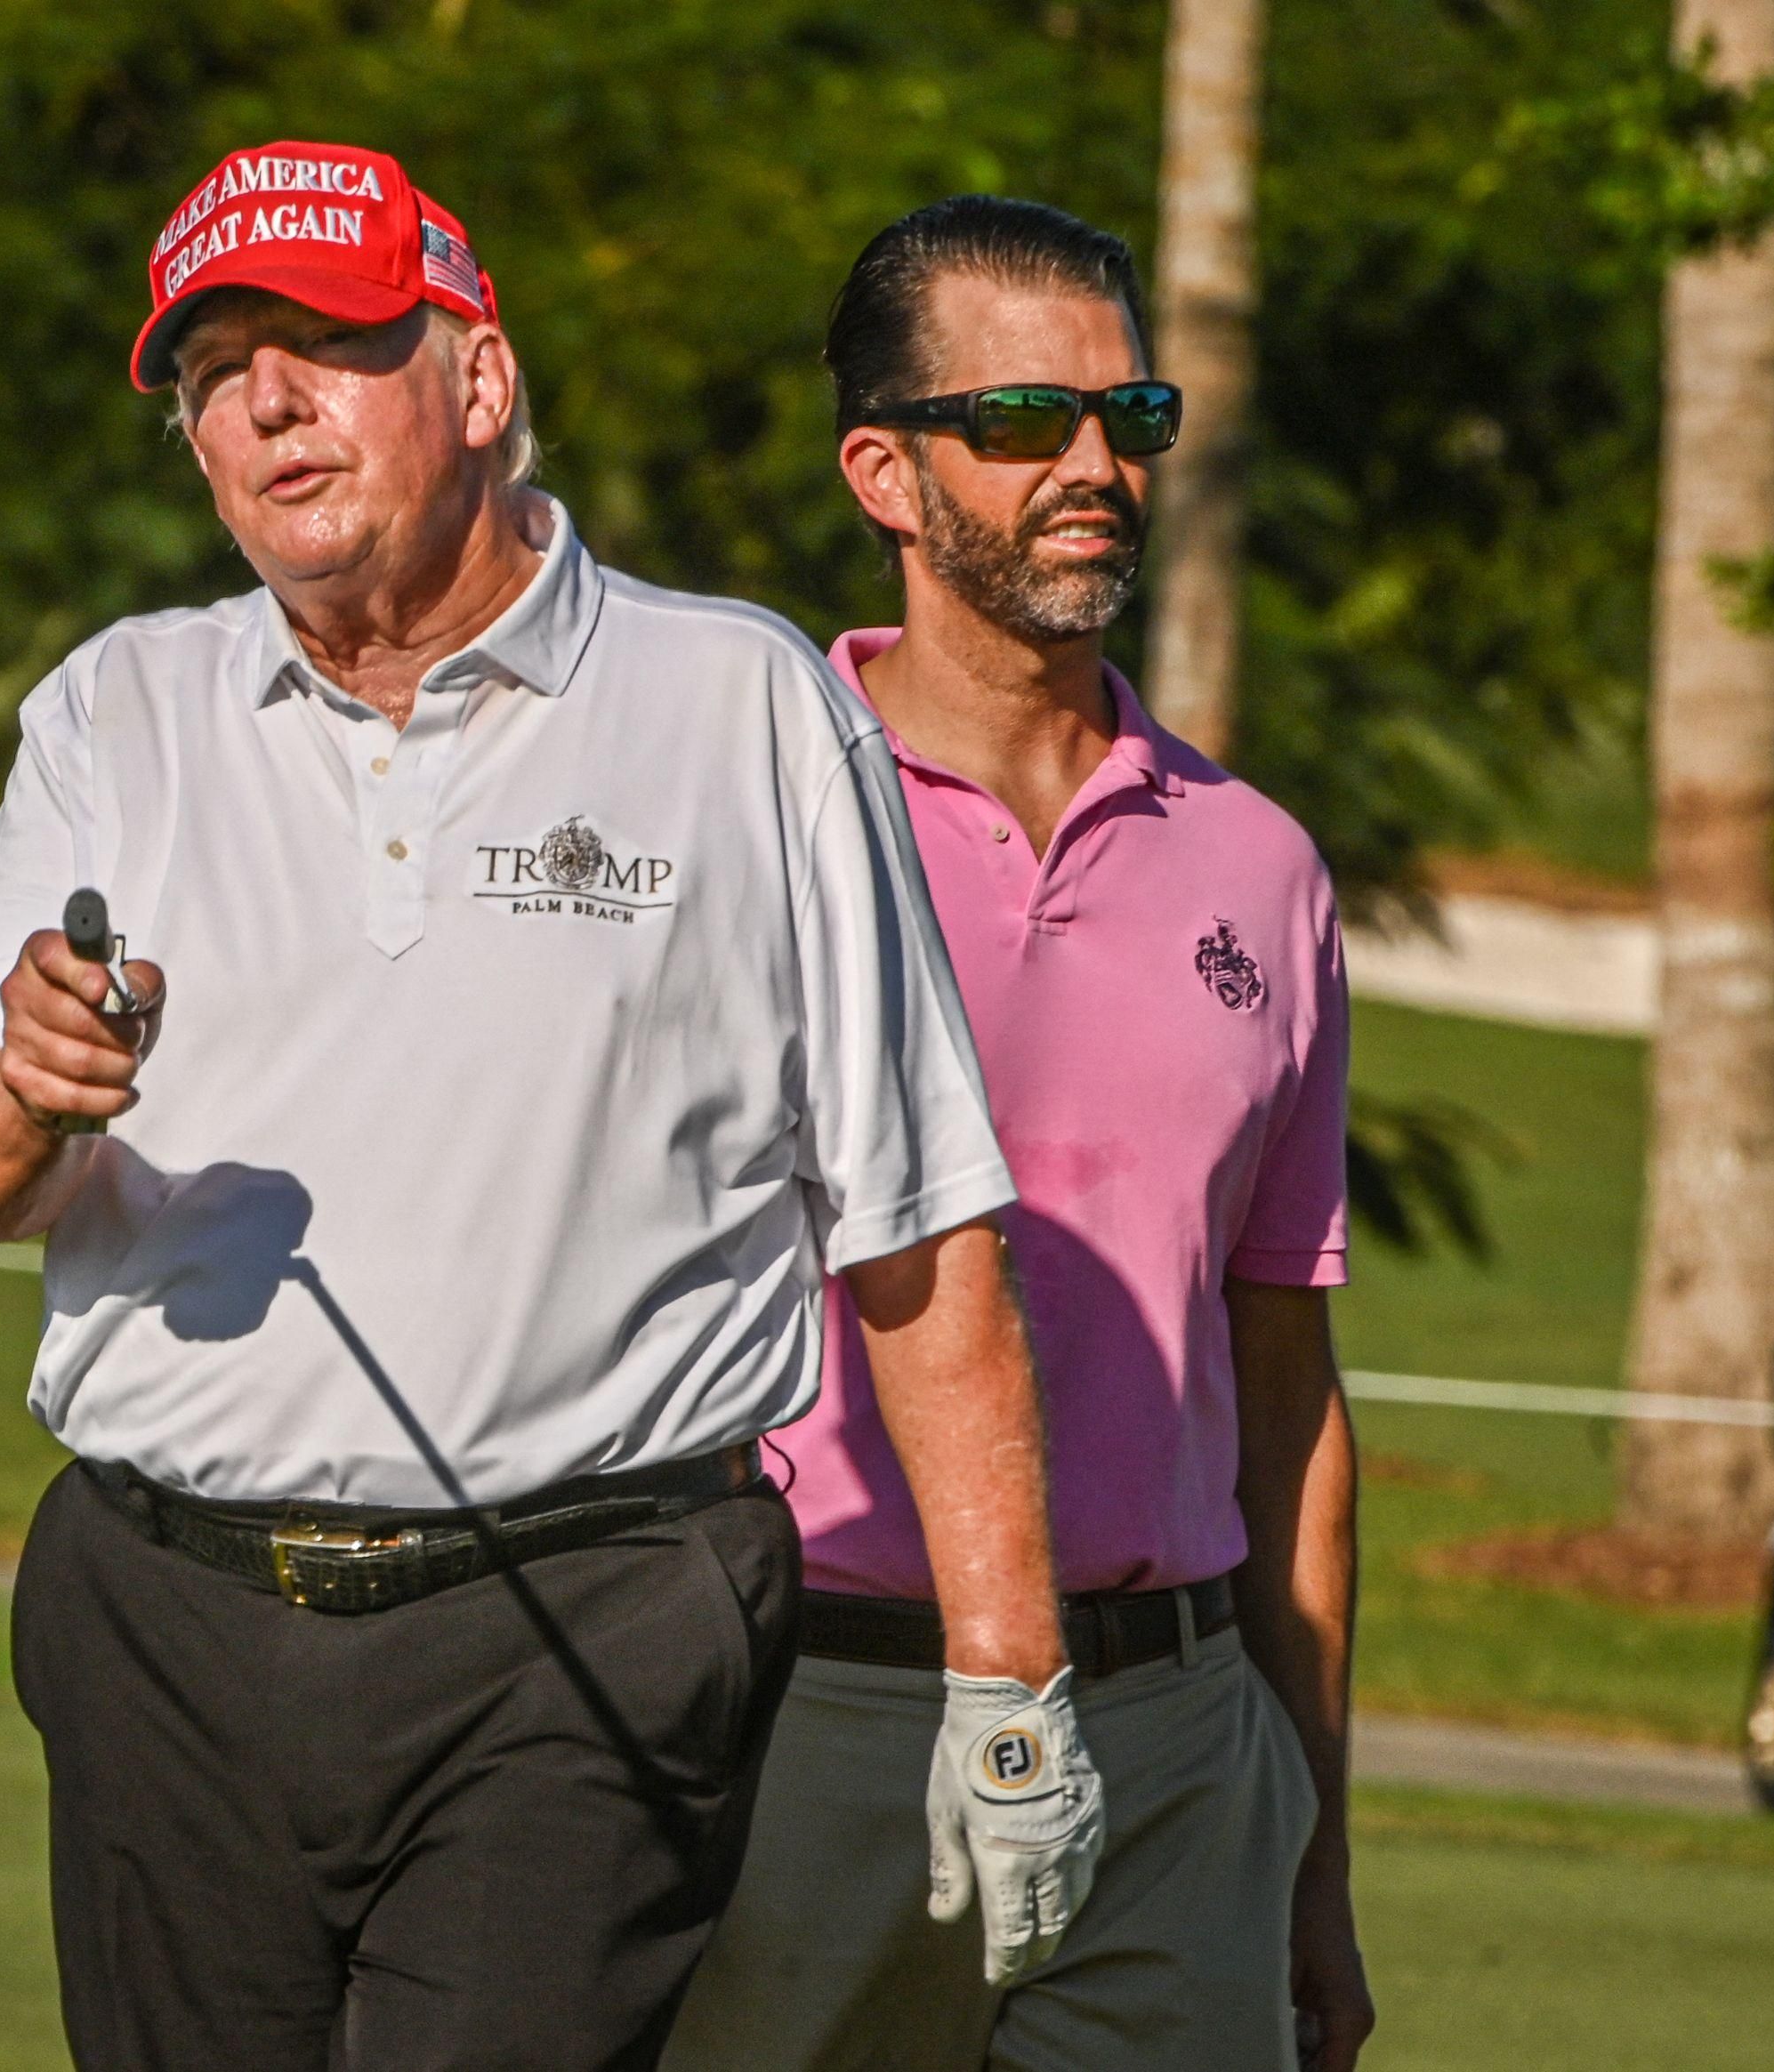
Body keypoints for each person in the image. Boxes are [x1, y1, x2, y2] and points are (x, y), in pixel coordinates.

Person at [0, 144, 1099, 2071]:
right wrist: (33, 1090)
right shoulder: (115, 710)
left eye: (326, 344)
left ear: (477, 383)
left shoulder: (744, 706)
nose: (265, 399)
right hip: (165, 1626)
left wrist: (1009, 1677)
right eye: (215, 369)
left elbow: (919, 1223)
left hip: (593, 1606)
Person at [668, 196, 1377, 2072]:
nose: (1091, 467)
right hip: (810, 1724)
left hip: (1180, 1748)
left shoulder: (1261, 863)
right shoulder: (729, 820)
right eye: (1023, 424)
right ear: (882, 471)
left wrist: (1309, 1848)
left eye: (1125, 420)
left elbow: (1286, 1391)